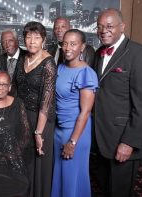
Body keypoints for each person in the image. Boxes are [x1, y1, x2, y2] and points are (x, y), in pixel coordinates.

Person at [93, 8, 142, 197]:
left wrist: (129, 142)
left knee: (120, 192)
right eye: (100, 27)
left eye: (109, 26)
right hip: (100, 138)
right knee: (104, 189)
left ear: (122, 27)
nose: (104, 31)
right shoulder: (98, 53)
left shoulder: (139, 54)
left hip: (123, 139)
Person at [51, 29, 98, 197]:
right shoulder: (61, 68)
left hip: (75, 133)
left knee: (72, 176)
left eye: (73, 44)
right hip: (59, 129)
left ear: (82, 47)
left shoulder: (86, 73)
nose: (67, 47)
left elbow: (85, 112)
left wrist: (72, 142)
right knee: (60, 174)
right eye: (65, 43)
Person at [15, 21, 56, 197]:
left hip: (41, 120)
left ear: (43, 40)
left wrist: (38, 133)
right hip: (21, 117)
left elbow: (46, 103)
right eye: (28, 37)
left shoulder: (48, 64)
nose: (32, 41)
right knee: (23, 161)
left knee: (38, 164)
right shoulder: (22, 57)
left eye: (36, 37)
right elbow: (15, 89)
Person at [0, 29, 27, 95]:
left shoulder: (27, 56)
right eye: (4, 42)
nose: (7, 45)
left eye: (10, 41)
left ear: (17, 41)